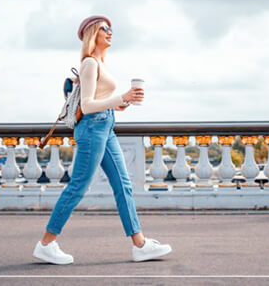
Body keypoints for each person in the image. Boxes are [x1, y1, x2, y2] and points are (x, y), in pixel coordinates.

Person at [33, 15, 172, 265]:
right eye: (104, 29)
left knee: (123, 185)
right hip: (92, 129)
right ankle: (46, 243)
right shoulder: (89, 64)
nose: (110, 32)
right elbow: (86, 106)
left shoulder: (101, 64)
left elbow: (100, 101)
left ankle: (140, 245)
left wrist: (122, 103)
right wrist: (120, 98)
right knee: (78, 186)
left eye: (111, 29)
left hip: (106, 126)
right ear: (92, 34)